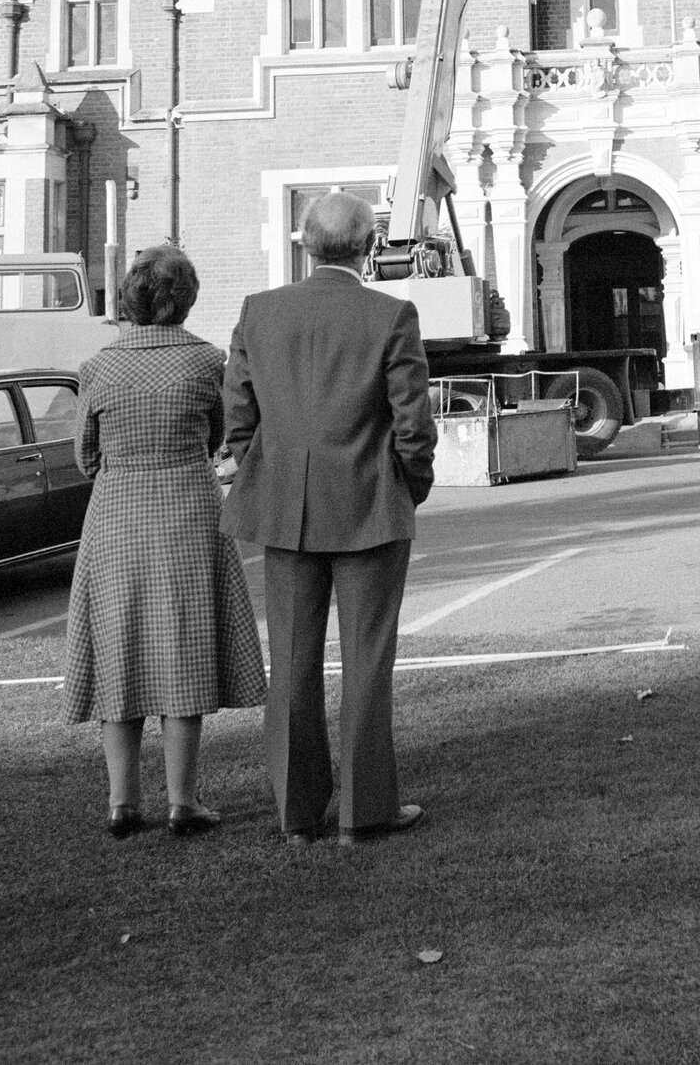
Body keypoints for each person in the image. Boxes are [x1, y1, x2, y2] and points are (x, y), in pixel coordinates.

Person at [222, 190, 437, 841]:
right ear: (370, 246)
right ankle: (362, 812)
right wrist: (413, 484)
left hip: (286, 505)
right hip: (369, 503)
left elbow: (238, 413)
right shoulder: (391, 313)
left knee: (290, 662)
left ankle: (297, 813)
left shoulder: (259, 312)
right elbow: (413, 423)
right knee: (367, 662)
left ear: (305, 244)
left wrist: (261, 462)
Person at [62, 242, 267, 838]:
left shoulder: (97, 368)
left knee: (118, 651)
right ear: (185, 299)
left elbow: (85, 457)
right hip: (187, 513)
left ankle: (121, 803)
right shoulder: (206, 362)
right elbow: (221, 438)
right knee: (186, 650)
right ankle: (183, 801)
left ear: (129, 297)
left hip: (116, 518)